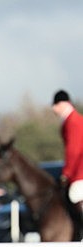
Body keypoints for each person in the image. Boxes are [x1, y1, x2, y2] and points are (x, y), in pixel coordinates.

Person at [51, 89, 83, 224]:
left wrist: (67, 173)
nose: (53, 108)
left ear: (62, 104)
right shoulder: (71, 120)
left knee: (75, 194)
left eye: (55, 105)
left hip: (80, 170)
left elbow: (73, 150)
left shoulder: (73, 121)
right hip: (78, 168)